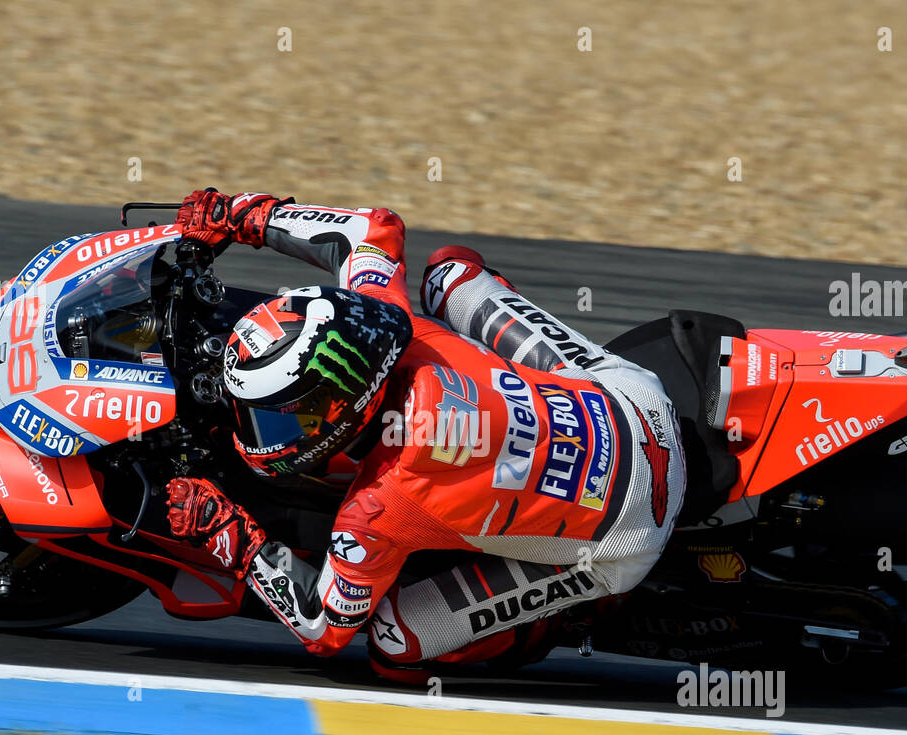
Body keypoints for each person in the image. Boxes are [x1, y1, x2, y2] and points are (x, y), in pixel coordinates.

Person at [163, 189, 686, 681]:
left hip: (626, 538)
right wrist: (244, 215)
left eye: (280, 417)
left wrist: (227, 532)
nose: (264, 432)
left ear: (343, 404)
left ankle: (563, 617)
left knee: (394, 643)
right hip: (639, 404)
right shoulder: (386, 318)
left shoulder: (376, 509)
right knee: (449, 273)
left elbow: (324, 629)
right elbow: (374, 227)